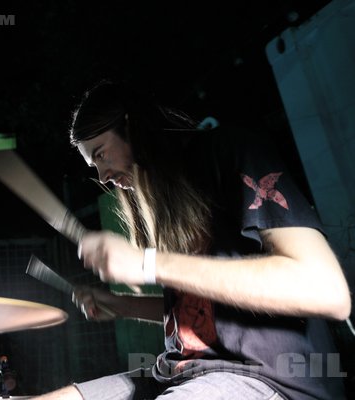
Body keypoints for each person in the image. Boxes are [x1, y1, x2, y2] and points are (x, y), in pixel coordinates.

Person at [35, 81, 351, 399]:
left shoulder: (228, 151)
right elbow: (209, 311)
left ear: (132, 127)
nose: (103, 176)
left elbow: (326, 290)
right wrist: (121, 305)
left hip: (264, 376)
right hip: (176, 373)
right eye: (94, 165)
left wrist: (148, 264)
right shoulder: (167, 199)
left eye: (102, 154)